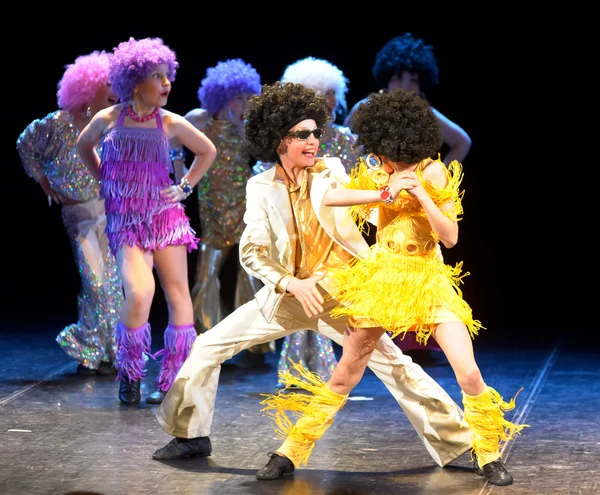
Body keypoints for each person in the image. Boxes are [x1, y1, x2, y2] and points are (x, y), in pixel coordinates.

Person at [152, 82, 473, 479]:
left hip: (342, 293)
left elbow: (368, 199)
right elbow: (252, 251)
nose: (313, 140)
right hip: (288, 295)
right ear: (278, 141)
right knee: (207, 346)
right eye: (302, 134)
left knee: (394, 364)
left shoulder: (332, 172)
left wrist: (391, 199)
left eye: (316, 132)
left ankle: (458, 442)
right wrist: (290, 283)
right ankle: (190, 435)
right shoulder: (260, 187)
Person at [260, 88, 526, 486]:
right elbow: (332, 197)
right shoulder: (376, 170)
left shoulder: (432, 171)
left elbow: (450, 237)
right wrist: (384, 191)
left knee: (468, 373)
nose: (391, 160)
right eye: (385, 154)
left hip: (429, 281)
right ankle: (290, 452)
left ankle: (487, 452)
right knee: (344, 376)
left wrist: (420, 194)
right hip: (382, 280)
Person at [77, 37, 217, 405]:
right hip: (126, 223)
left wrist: (184, 187)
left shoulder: (169, 122)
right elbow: (83, 145)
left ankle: (173, 378)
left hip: (165, 218)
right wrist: (105, 179)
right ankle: (131, 373)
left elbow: (207, 151)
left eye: (168, 75)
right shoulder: (108, 118)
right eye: (157, 75)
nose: (166, 83)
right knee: (139, 293)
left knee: (177, 295)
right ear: (135, 81)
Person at [344, 32, 472, 362]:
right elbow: (344, 144)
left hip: (413, 205)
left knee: (421, 262)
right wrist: (359, 182)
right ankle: (375, 338)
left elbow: (462, 141)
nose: (406, 84)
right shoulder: (367, 107)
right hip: (379, 199)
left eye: (413, 79)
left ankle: (420, 338)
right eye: (399, 76)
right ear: (387, 75)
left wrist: (434, 179)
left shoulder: (422, 113)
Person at [16, 50, 122, 376]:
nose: (114, 91)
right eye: (107, 84)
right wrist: (44, 181)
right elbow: (25, 144)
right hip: (80, 215)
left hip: (111, 211)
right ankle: (94, 345)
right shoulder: (57, 123)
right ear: (88, 88)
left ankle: (102, 350)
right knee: (96, 282)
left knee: (113, 283)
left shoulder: (109, 124)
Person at [263, 57, 364, 387]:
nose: (333, 101)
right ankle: (299, 370)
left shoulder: (346, 140)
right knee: (300, 295)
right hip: (297, 228)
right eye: (325, 95)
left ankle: (320, 371)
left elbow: (357, 181)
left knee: (327, 298)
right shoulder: (292, 137)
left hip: (334, 231)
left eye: (335, 94)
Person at [170, 58, 274, 364]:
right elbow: (174, 139)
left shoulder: (247, 127)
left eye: (246, 97)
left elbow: (264, 159)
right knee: (207, 276)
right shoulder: (200, 119)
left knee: (250, 275)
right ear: (221, 94)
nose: (242, 103)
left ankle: (255, 346)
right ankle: (207, 341)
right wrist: (182, 175)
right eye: (236, 96)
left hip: (243, 209)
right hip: (213, 211)